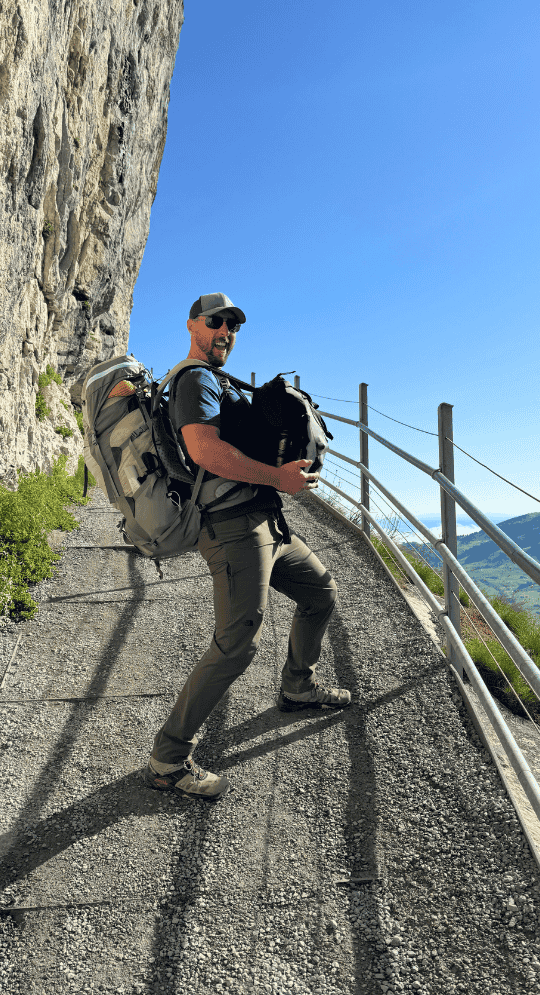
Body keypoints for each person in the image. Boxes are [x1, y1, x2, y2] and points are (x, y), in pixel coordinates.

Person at [143, 293, 350, 800]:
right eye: (216, 322)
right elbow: (204, 449)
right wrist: (276, 477)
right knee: (238, 642)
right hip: (233, 528)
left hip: (265, 522)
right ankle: (168, 758)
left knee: (321, 591)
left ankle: (297, 687)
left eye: (233, 326)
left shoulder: (217, 380)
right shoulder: (194, 380)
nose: (226, 332)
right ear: (193, 325)